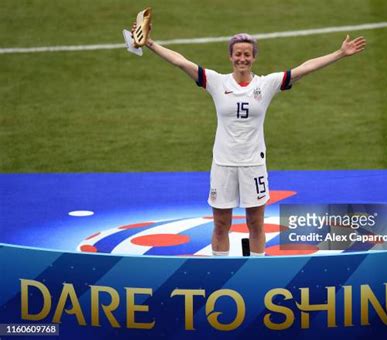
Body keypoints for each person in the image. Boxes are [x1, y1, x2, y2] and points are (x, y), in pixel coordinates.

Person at [132, 23, 366, 256]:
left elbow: (304, 69)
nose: (242, 58)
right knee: (221, 224)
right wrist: (150, 43)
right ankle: (221, 271)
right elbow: (180, 61)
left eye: (247, 54)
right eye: (237, 54)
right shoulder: (216, 82)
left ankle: (255, 271)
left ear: (254, 58)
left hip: (253, 164)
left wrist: (340, 54)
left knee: (256, 223)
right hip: (223, 164)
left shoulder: (266, 84)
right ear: (230, 57)